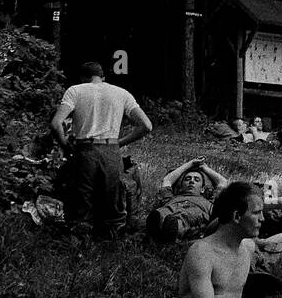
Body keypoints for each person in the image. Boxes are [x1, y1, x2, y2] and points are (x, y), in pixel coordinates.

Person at [50, 60, 152, 239]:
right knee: (113, 198)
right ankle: (112, 239)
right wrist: (119, 142)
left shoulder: (75, 90)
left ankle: (80, 240)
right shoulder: (122, 93)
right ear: (102, 77)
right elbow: (146, 125)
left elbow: (56, 123)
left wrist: (65, 145)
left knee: (81, 199)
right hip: (111, 150)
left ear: (83, 77)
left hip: (85, 150)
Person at [146, 158, 228, 244]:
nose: (191, 181)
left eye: (196, 180)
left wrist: (204, 168)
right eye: (188, 179)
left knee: (183, 218)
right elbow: (167, 180)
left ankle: (170, 232)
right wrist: (190, 163)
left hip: (189, 217)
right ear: (181, 187)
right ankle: (157, 226)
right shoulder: (171, 198)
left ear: (203, 189)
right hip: (170, 212)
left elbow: (223, 182)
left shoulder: (210, 202)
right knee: (162, 213)